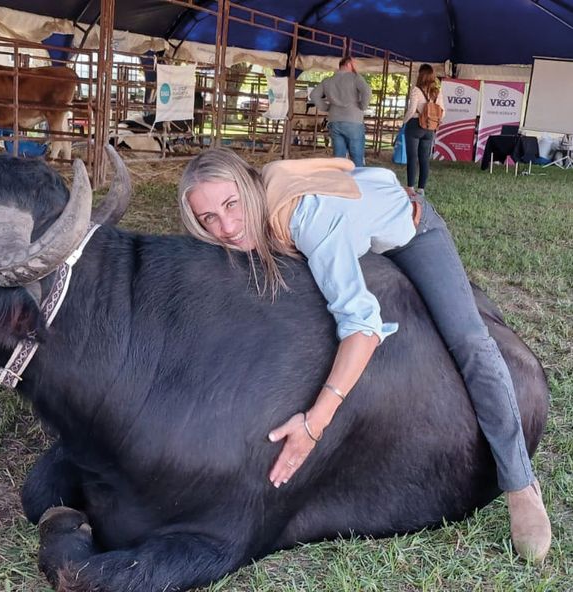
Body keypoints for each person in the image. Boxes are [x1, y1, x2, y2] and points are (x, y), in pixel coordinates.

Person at [177, 148, 552, 563]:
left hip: (409, 229)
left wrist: (315, 423)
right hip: (348, 226)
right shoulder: (271, 178)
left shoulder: (307, 217)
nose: (226, 227)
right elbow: (340, 165)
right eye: (208, 218)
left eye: (231, 205)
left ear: (249, 189)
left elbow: (363, 327)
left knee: (469, 340)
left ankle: (521, 485)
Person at [310, 56, 372, 166]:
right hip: (353, 120)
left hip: (334, 120)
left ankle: (341, 180)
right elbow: (367, 91)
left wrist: (326, 108)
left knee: (339, 158)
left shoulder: (327, 81)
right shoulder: (355, 78)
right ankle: (356, 181)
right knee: (357, 157)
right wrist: (363, 106)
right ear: (349, 64)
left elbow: (314, 95)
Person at [403, 63, 445, 195]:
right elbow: (443, 112)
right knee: (424, 158)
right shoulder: (437, 92)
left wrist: (404, 122)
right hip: (430, 128)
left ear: (420, 75)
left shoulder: (416, 90)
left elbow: (411, 110)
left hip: (415, 125)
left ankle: (410, 187)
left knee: (412, 157)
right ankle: (421, 189)